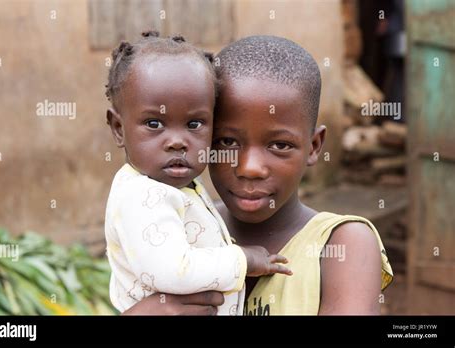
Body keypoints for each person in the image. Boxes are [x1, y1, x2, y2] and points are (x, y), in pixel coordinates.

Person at [123, 35, 393, 315]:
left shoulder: (342, 243)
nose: (249, 168)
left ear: (313, 147)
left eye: (279, 145)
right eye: (226, 142)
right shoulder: (180, 231)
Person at [104, 32, 292, 316]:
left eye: (194, 124)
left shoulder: (176, 186)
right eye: (154, 123)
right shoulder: (142, 196)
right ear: (119, 129)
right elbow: (174, 271)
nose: (177, 141)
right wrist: (243, 260)